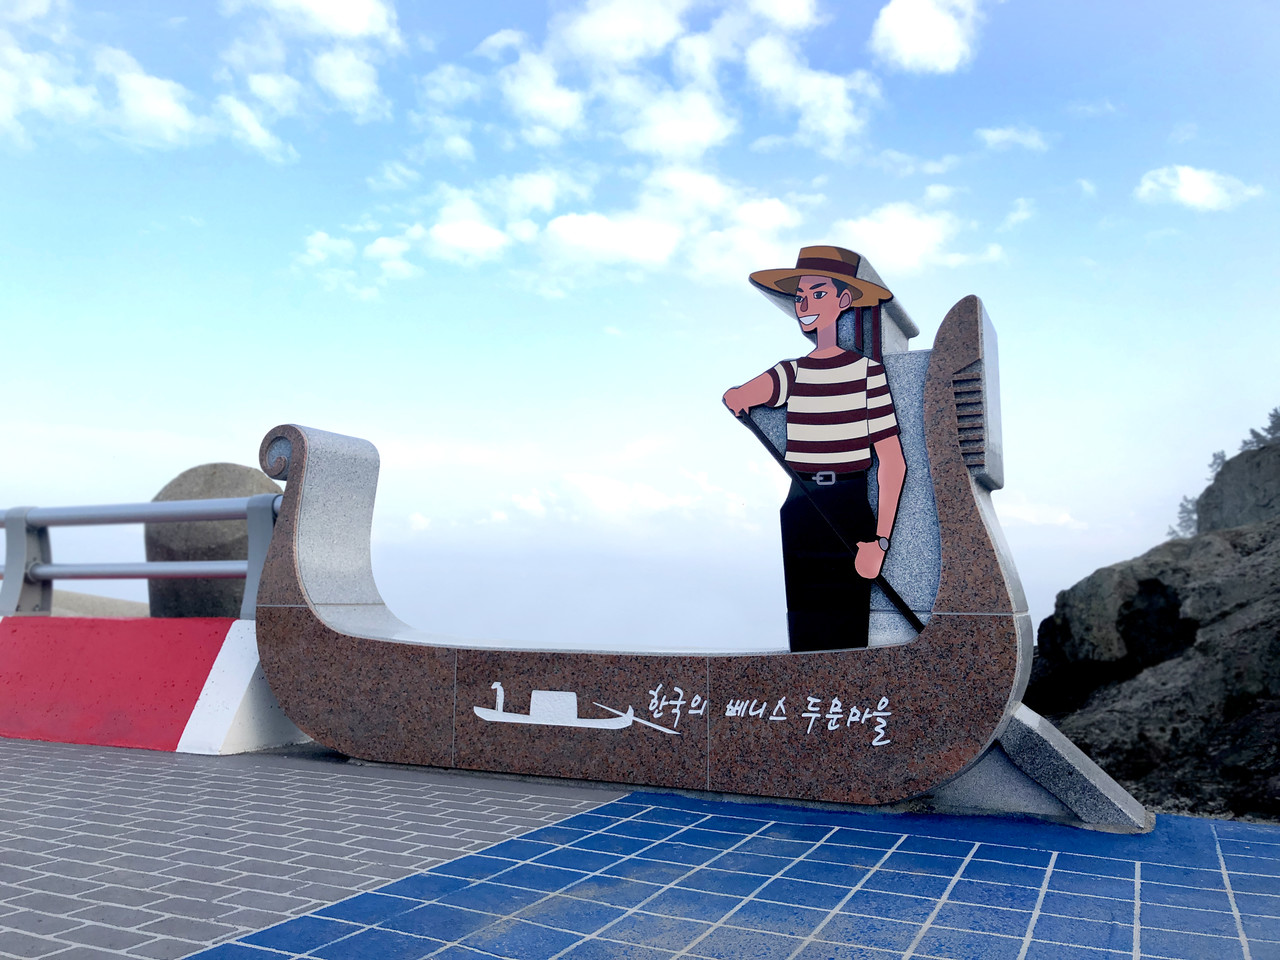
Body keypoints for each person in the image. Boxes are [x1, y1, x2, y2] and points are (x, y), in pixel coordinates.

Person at [723, 246, 906, 651]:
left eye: (818, 293)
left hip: (849, 502)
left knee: (847, 626)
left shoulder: (868, 374)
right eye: (801, 296)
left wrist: (880, 542)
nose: (805, 304)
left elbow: (892, 461)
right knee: (805, 620)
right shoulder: (793, 372)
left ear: (844, 300)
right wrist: (739, 397)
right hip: (802, 500)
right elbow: (741, 395)